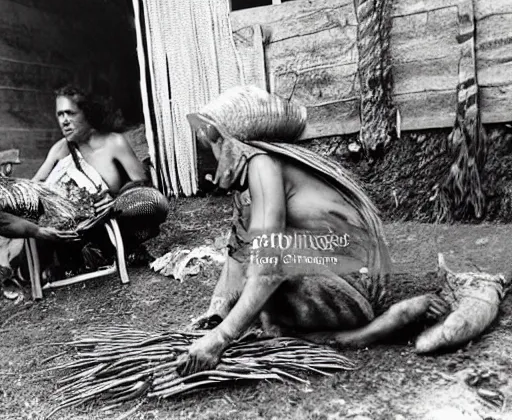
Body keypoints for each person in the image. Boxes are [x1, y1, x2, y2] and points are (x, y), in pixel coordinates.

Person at [177, 85, 448, 375]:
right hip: (325, 281)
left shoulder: (262, 164)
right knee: (259, 284)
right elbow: (236, 256)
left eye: (215, 140)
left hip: (349, 286)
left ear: (233, 141)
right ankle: (378, 327)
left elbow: (271, 258)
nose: (212, 151)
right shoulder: (247, 191)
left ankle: (380, 323)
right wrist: (216, 312)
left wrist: (220, 339)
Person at [1, 84, 169, 286]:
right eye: (60, 114)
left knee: (151, 202)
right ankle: (33, 268)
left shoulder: (113, 143)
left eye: (70, 113)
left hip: (106, 219)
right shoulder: (60, 149)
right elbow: (32, 190)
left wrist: (113, 203)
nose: (64, 121)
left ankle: (113, 250)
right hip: (66, 225)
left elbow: (141, 183)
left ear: (87, 113)